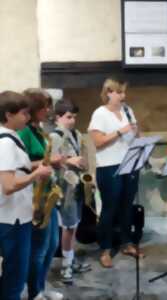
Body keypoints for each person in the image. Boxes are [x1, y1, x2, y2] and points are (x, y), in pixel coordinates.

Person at [0, 91, 51, 300]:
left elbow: (16, 171)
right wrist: (36, 175)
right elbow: (8, 185)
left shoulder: (10, 138)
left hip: (17, 215)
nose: (27, 117)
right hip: (12, 219)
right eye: (23, 113)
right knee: (14, 278)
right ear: (8, 115)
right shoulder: (5, 143)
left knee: (15, 275)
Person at [88, 78, 142, 268]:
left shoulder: (128, 110)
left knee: (127, 206)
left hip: (130, 164)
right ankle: (105, 249)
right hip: (109, 166)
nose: (123, 96)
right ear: (109, 92)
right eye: (119, 92)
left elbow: (135, 135)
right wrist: (121, 131)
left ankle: (127, 243)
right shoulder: (100, 113)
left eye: (124, 92)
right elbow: (98, 142)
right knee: (109, 209)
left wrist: (136, 134)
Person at [18, 88, 64, 300]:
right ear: (34, 108)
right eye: (45, 107)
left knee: (52, 245)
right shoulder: (24, 132)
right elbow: (20, 163)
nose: (48, 110)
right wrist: (47, 162)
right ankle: (35, 293)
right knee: (39, 249)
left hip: (48, 192)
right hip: (34, 194)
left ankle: (41, 287)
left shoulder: (39, 130)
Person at [50, 99, 91, 284]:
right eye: (68, 117)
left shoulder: (76, 134)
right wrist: (69, 161)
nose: (72, 120)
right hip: (65, 186)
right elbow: (51, 160)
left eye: (74, 117)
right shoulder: (55, 136)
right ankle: (66, 265)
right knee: (68, 227)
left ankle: (71, 259)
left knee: (74, 225)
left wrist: (83, 163)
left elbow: (80, 155)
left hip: (77, 184)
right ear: (57, 117)